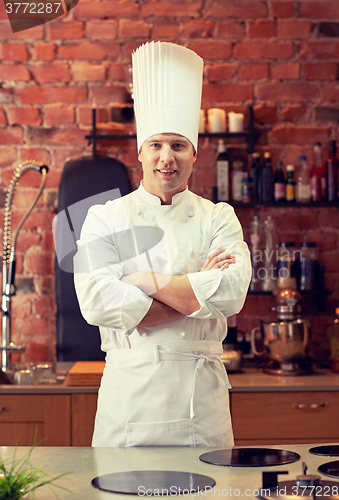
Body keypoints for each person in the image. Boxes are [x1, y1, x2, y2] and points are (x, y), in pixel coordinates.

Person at [74, 41, 251, 447]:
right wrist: (194, 289)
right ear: (140, 151)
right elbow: (97, 302)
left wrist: (142, 279)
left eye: (178, 145)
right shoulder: (105, 218)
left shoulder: (218, 216)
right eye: (156, 144)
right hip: (128, 411)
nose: (166, 157)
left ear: (194, 152)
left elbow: (231, 293)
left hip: (201, 414)